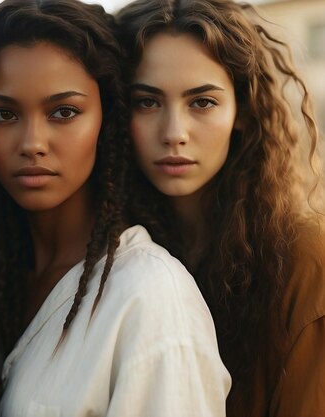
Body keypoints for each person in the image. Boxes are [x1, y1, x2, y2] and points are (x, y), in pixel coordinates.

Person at [0, 1, 231, 416]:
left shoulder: (150, 298)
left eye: (64, 112)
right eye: (4, 113)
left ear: (109, 117)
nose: (32, 143)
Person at [115, 0, 325, 415]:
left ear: (242, 112)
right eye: (147, 102)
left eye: (202, 102)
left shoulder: (301, 256)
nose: (174, 133)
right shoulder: (106, 247)